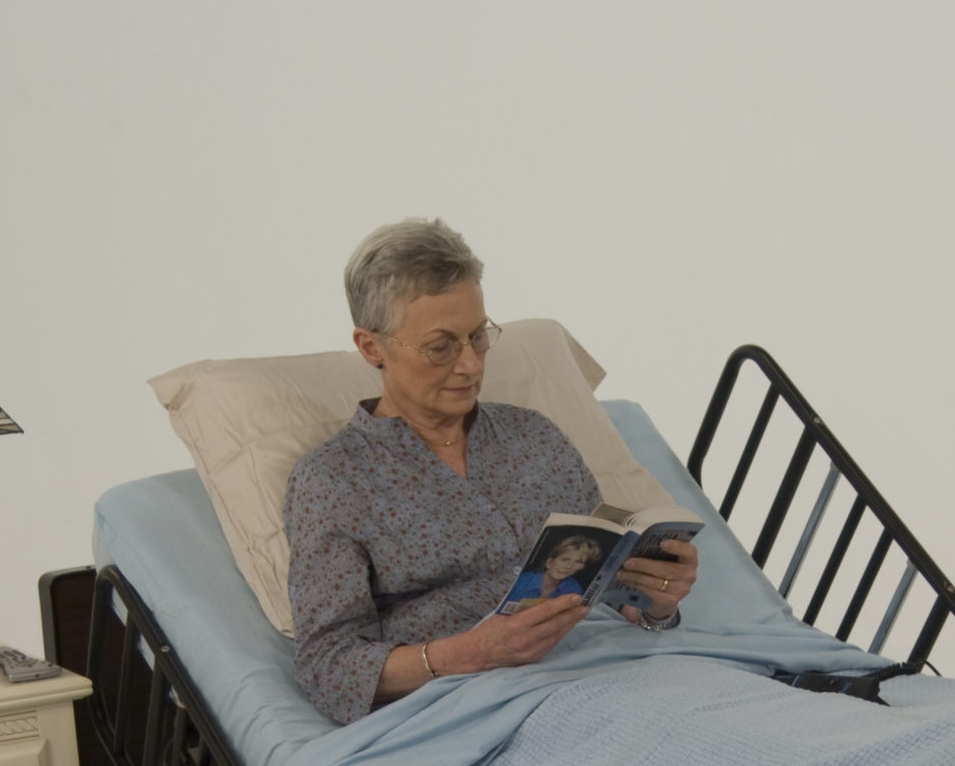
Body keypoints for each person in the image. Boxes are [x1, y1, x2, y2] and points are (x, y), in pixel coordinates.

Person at [284, 218, 701, 725]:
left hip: (616, 674)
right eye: (441, 347)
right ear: (372, 347)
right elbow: (329, 669)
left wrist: (657, 601)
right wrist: (467, 653)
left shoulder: (535, 437)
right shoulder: (333, 481)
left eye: (478, 337)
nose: (470, 366)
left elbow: (609, 596)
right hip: (478, 706)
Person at [506, 532, 604, 606]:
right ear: (549, 562)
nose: (569, 566)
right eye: (565, 560)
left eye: (578, 562)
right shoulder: (520, 581)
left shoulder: (574, 589)